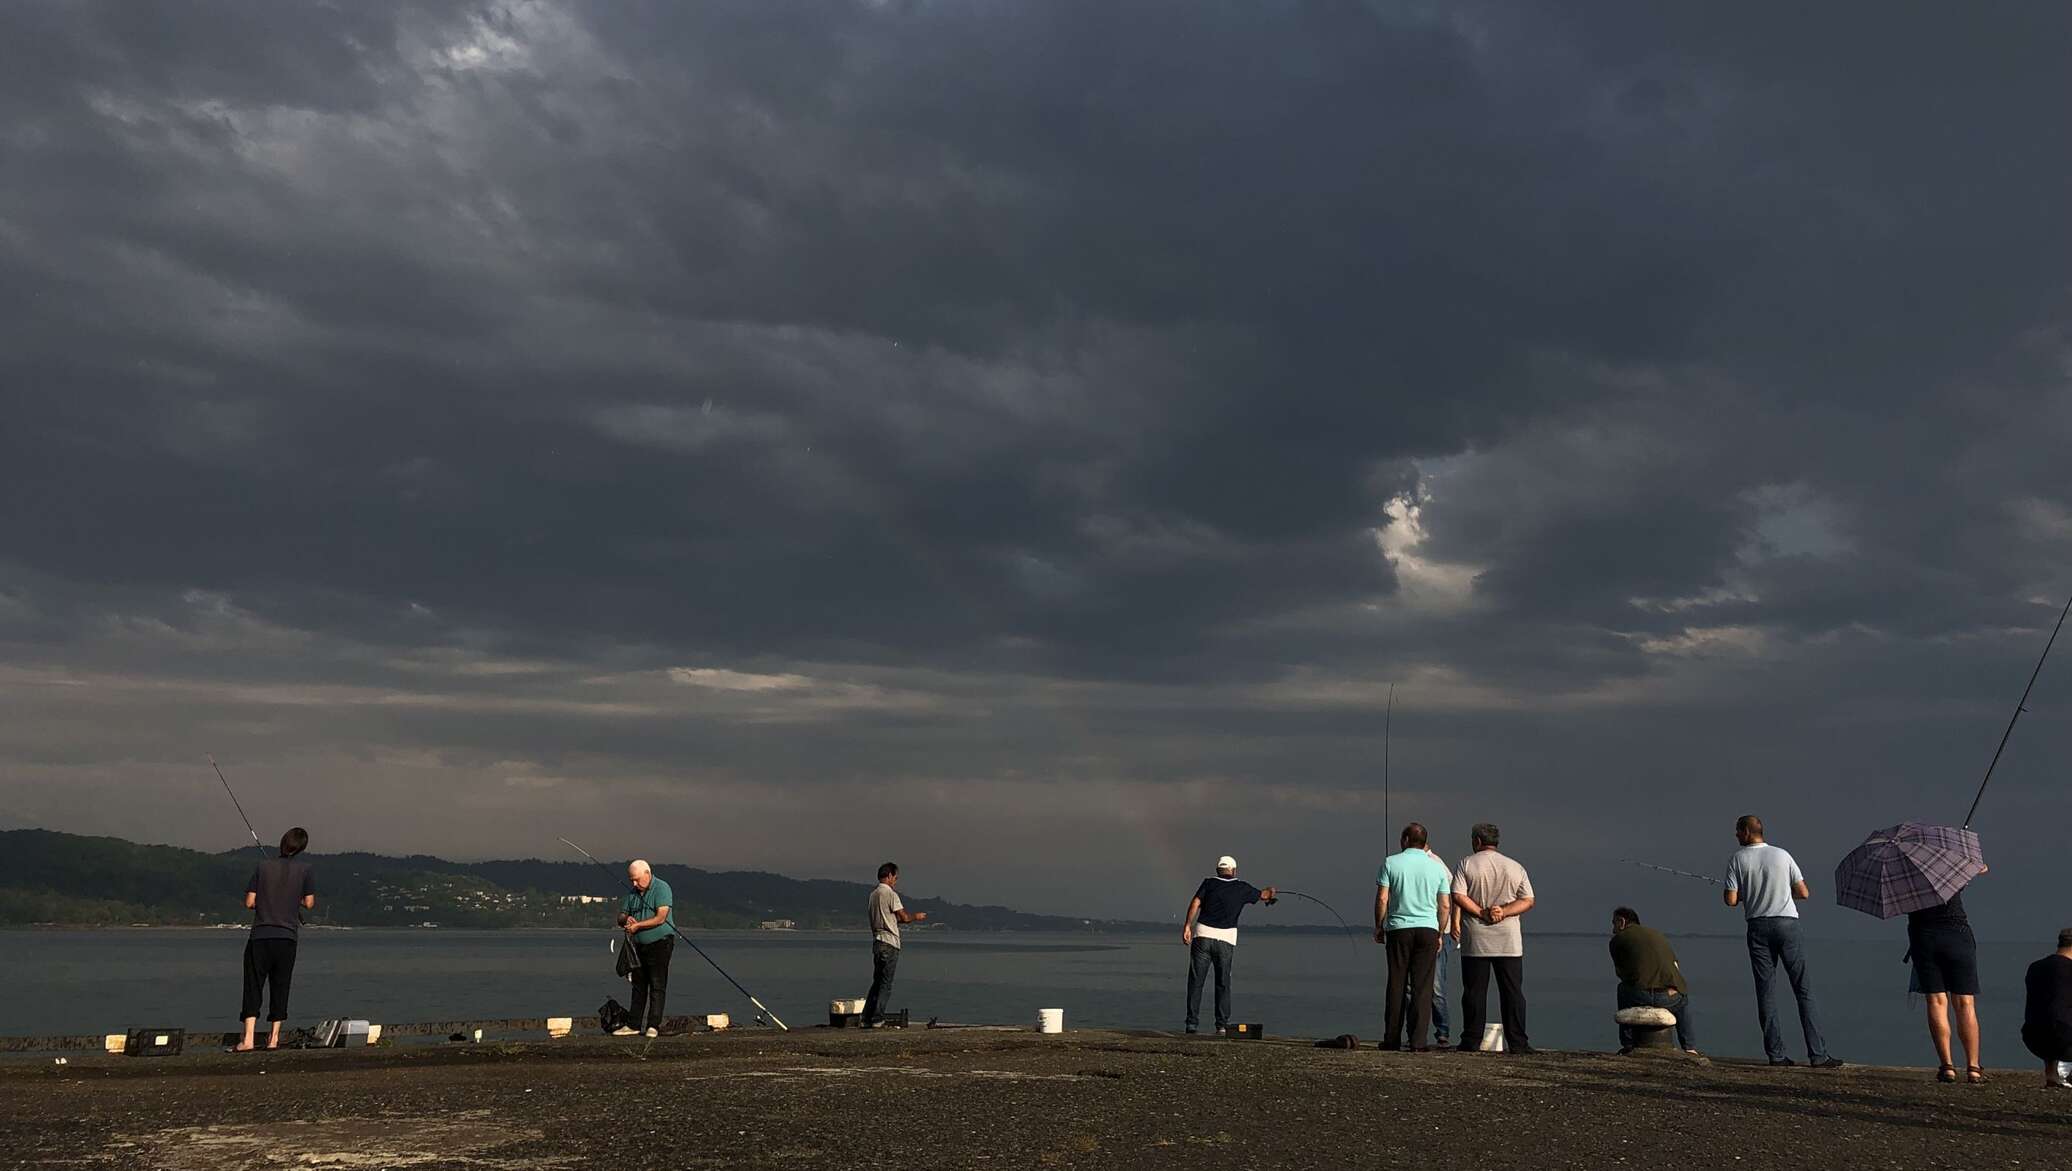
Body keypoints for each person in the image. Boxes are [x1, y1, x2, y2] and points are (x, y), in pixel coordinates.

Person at [1723, 815, 1842, 1068]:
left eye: (1737, 831)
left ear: (1746, 832)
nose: (1735, 836)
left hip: (1757, 927)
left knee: (1766, 992)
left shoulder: (1737, 859)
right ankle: (1818, 1055)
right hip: (1788, 925)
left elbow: (1731, 900)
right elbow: (1804, 893)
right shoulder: (1783, 855)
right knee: (1803, 990)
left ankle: (1776, 1055)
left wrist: (1747, 895)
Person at [1450, 823, 1535, 1054]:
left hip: (1476, 938)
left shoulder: (1466, 864)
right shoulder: (1515, 867)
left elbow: (1458, 895)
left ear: (1477, 841)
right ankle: (1518, 1042)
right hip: (1508, 940)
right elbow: (1527, 900)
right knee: (1513, 992)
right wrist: (1504, 911)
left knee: (1474, 992)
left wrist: (1481, 913)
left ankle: (1471, 1040)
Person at [235, 827, 316, 1051]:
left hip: (260, 936)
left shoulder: (263, 867)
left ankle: (248, 1039)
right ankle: (273, 1039)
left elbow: (250, 902)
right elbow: (309, 903)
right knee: (281, 985)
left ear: (282, 843)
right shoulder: (305, 870)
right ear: (301, 848)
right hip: (287, 938)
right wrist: (293, 899)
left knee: (253, 985)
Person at [1375, 823, 1454, 1051]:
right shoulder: (1436, 867)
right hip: (1428, 930)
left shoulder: (1391, 862)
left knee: (1397, 984)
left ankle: (1391, 1039)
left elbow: (1382, 899)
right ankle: (1419, 1041)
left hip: (1398, 929)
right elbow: (1445, 905)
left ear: (1405, 840)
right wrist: (1440, 931)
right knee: (1422, 986)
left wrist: (1379, 926)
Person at [1181, 855, 1276, 1035]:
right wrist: (1271, 892)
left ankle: (1191, 1024)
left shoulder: (1208, 883)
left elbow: (1196, 902)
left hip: (1202, 936)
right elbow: (1263, 895)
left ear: (1218, 870)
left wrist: (1187, 925)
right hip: (1226, 940)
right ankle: (1222, 1025)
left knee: (1196, 981)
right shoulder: (1242, 888)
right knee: (1223, 983)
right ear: (1233, 870)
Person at [1909, 866, 1987, 1083]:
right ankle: (1973, 1067)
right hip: (1957, 936)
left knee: (1936, 1001)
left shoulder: (1904, 879)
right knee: (1965, 1004)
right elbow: (1981, 867)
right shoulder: (1948, 869)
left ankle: (1947, 1066)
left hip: (1924, 938)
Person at [1609, 907, 1697, 1054]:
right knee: (1683, 999)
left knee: (1622, 989)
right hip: (1671, 996)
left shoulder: (1618, 940)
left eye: (1614, 924)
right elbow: (1675, 966)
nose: (1613, 929)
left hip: (1642, 996)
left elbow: (1623, 974)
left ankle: (1628, 1043)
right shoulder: (1657, 934)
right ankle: (1689, 1047)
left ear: (1621, 922)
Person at [613, 859, 674, 1038]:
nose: (634, 883)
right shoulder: (633, 893)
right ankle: (634, 1024)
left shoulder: (662, 888)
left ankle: (653, 1025)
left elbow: (661, 917)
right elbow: (621, 916)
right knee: (638, 985)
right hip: (638, 946)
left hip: (660, 943)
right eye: (632, 880)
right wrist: (626, 920)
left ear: (647, 874)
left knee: (657, 984)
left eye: (637, 879)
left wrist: (638, 926)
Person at [863, 862, 926, 1028]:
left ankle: (866, 1017)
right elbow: (904, 917)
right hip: (890, 943)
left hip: (877, 941)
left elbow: (889, 917)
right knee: (886, 983)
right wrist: (916, 917)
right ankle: (877, 1019)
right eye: (895, 878)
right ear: (889, 876)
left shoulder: (873, 895)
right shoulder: (890, 894)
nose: (896, 881)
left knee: (876, 982)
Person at [2022, 928, 2072, 1088]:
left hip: (2033, 1039)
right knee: (2059, 1020)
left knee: (2048, 1014)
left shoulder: (2035, 967)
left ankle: (2051, 1074)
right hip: (2065, 1042)